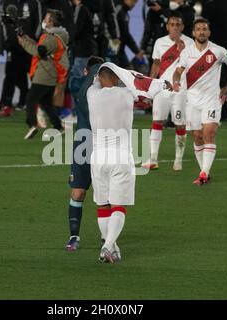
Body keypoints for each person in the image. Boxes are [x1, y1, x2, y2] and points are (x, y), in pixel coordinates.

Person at [87, 62, 171, 263]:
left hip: (98, 158)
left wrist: (104, 73)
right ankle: (108, 246)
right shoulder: (126, 94)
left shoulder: (92, 94)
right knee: (119, 206)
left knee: (103, 205)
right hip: (121, 156)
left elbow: (97, 80)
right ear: (117, 78)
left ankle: (112, 246)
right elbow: (147, 85)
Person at [172, 18, 227, 185]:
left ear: (209, 32)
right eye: (198, 29)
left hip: (212, 100)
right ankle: (205, 171)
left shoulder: (218, 51)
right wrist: (175, 81)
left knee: (209, 133)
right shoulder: (186, 52)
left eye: (204, 29)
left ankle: (203, 174)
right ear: (193, 33)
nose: (202, 32)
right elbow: (178, 71)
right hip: (192, 100)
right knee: (197, 136)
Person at [142, 12, 192, 171]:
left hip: (180, 90)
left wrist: (181, 47)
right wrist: (150, 84)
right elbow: (156, 63)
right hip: (162, 89)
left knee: (180, 124)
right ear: (167, 26)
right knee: (157, 121)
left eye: (178, 25)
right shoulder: (159, 42)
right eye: (172, 24)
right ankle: (153, 158)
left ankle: (178, 160)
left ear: (182, 27)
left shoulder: (190, 43)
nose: (175, 27)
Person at [65, 56, 104, 251]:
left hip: (104, 144)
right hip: (84, 144)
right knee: (79, 191)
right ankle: (74, 236)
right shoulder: (80, 84)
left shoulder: (110, 90)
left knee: (103, 194)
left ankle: (106, 237)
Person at [18, 9, 68, 139]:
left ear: (51, 22)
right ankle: (58, 126)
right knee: (45, 103)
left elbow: (38, 51)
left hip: (44, 74)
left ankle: (32, 125)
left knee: (30, 99)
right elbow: (39, 47)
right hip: (50, 73)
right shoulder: (56, 35)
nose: (44, 21)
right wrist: (24, 37)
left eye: (46, 19)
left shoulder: (51, 38)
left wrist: (23, 41)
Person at [0, 0, 38, 117]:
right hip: (13, 46)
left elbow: (38, 23)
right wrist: (6, 43)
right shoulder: (7, 3)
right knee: (10, 76)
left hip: (29, 46)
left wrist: (33, 42)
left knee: (34, 76)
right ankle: (7, 105)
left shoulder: (33, 3)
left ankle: (33, 104)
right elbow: (2, 23)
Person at [113, 0, 143, 68]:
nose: (134, 4)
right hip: (112, 51)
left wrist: (136, 51)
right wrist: (136, 51)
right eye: (134, 1)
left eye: (136, 2)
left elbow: (125, 34)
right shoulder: (117, 9)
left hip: (120, 50)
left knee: (127, 72)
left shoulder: (124, 13)